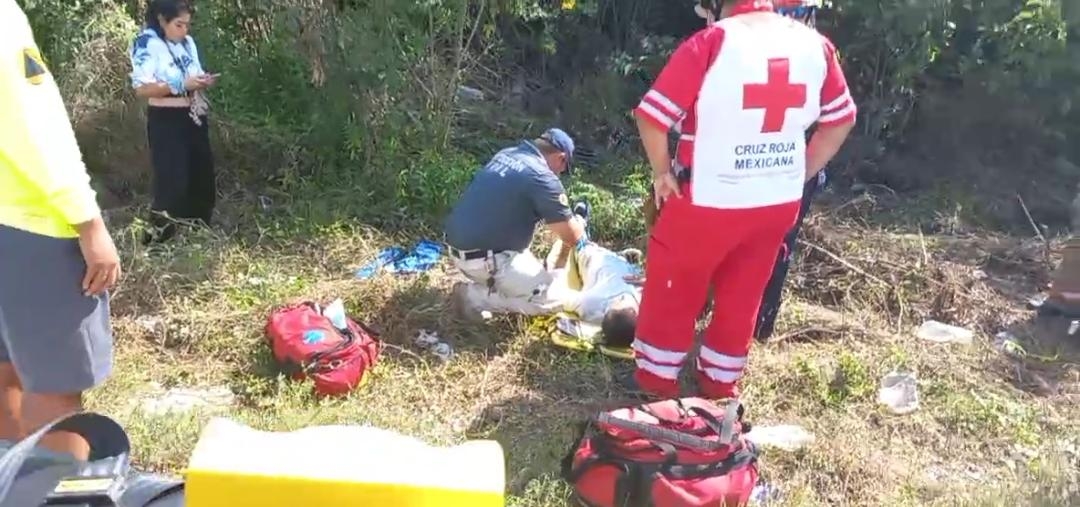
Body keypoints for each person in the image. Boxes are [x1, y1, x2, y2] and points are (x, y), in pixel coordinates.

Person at [631, 0, 857, 399]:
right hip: (776, 201)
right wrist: (799, 173)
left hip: (708, 195)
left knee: (676, 283)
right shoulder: (817, 45)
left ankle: (657, 379)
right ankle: (720, 381)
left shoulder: (712, 42)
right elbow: (841, 119)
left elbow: (652, 115)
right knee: (745, 289)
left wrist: (661, 172)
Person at [0, 0, 121, 459]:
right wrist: (88, 222)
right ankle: (54, 490)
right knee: (55, 390)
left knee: (6, 370)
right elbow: (35, 129)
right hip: (32, 225)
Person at [444, 128, 586, 318]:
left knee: (539, 275)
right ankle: (474, 297)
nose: (560, 173)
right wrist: (580, 224)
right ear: (561, 158)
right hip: (487, 260)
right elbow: (572, 236)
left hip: (458, 248)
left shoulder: (506, 154)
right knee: (557, 300)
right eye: (563, 168)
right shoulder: (542, 177)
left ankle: (497, 287)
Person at [753, 0, 830, 342]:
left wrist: (805, 171)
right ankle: (751, 325)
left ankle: (758, 326)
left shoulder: (817, 56)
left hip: (781, 165)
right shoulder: (814, 54)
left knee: (774, 247)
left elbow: (834, 119)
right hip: (769, 163)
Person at [130, 0, 218, 244]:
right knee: (172, 181)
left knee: (201, 176)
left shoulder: (187, 43)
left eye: (187, 25)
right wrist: (180, 85)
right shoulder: (147, 43)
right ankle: (156, 241)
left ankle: (197, 235)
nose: (184, 31)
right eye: (179, 25)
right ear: (161, 19)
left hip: (193, 114)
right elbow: (142, 88)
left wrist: (201, 82)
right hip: (166, 119)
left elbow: (193, 74)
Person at [548, 203, 642, 348]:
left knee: (578, 240)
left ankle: (580, 219)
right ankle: (623, 258)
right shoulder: (646, 302)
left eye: (619, 303)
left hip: (592, 257)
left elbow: (558, 297)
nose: (623, 298)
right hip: (625, 267)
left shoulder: (592, 303)